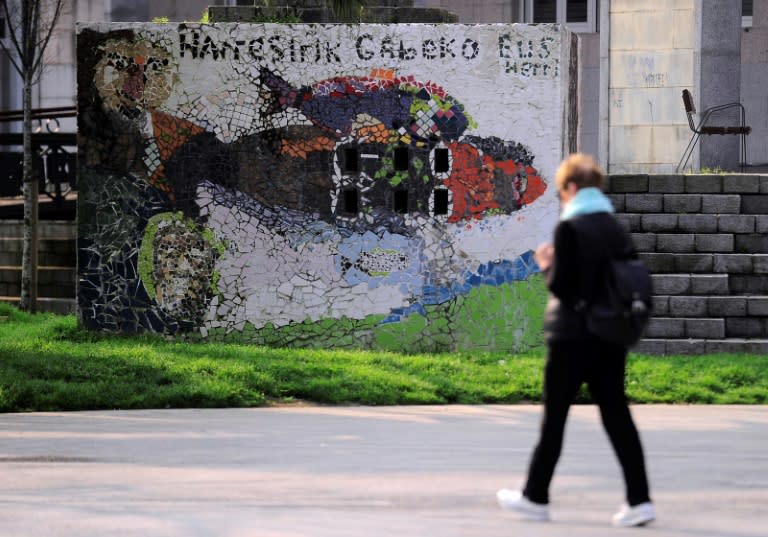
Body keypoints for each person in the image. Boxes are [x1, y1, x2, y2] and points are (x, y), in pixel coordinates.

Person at [496, 153, 655, 527]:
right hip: (609, 334)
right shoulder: (615, 227)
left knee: (554, 419)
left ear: (569, 188)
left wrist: (546, 265)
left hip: (571, 337)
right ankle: (640, 500)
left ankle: (535, 497)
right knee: (618, 417)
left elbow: (565, 288)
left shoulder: (570, 228)